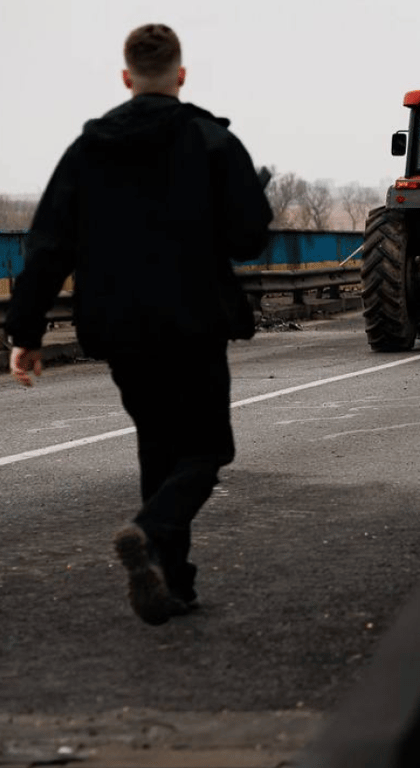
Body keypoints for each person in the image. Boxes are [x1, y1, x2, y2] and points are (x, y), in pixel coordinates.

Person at [4, 24, 273, 625]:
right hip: (194, 323)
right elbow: (249, 238)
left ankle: (171, 583)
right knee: (206, 449)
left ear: (127, 79)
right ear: (181, 74)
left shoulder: (88, 150)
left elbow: (48, 246)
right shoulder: (210, 141)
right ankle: (151, 536)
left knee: (159, 447)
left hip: (120, 327)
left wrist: (24, 332)